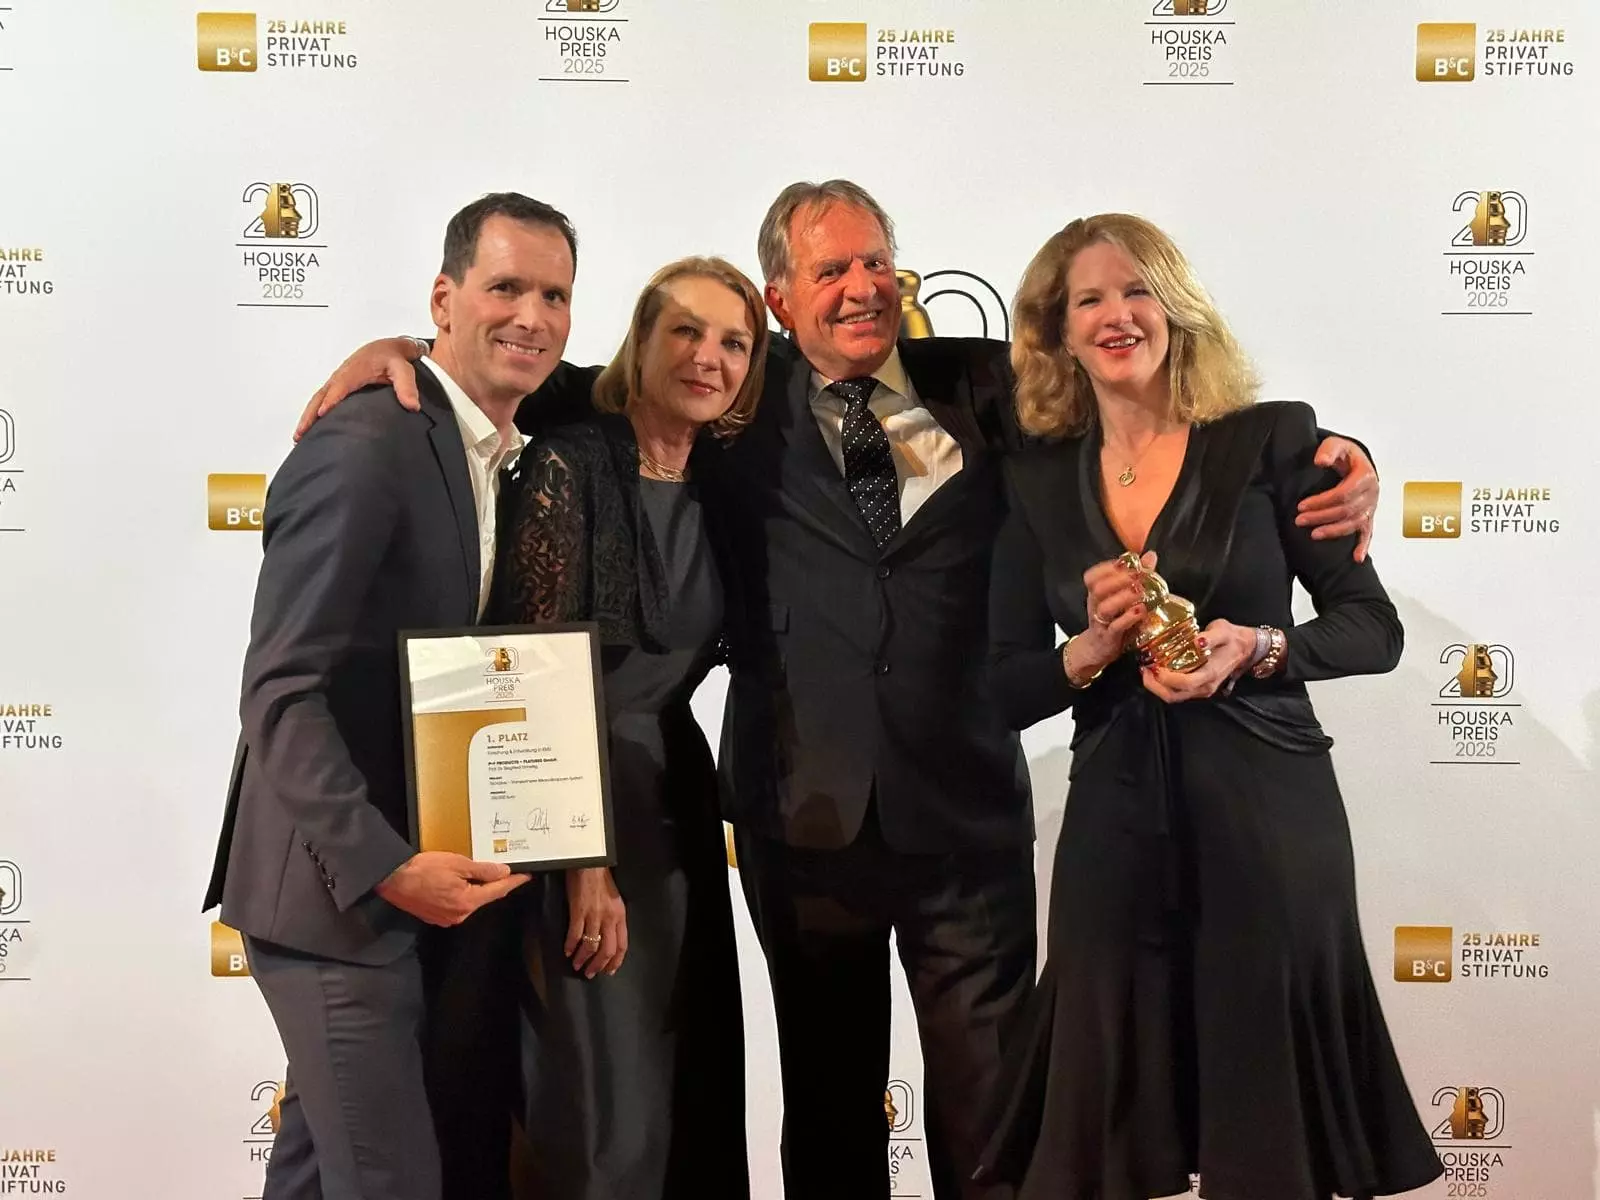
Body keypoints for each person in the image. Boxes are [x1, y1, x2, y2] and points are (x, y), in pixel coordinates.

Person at [298, 180, 1383, 1200]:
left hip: (965, 819)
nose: (859, 289)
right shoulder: (729, 388)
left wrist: (1338, 453)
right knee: (825, 1118)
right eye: (827, 273)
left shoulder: (990, 385)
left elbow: (1151, 398)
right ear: (780, 297)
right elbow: (566, 375)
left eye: (876, 263)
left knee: (997, 1117)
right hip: (801, 822)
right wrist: (405, 349)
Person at [974, 213, 1443, 1199]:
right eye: (1086, 299)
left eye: (1135, 290)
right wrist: (1094, 648)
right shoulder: (1036, 481)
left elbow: (1371, 628)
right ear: (1056, 332)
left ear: (1175, 309)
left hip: (1266, 808)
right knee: (1106, 1120)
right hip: (1114, 812)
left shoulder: (1272, 441)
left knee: (1265, 1119)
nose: (1114, 314)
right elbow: (1005, 685)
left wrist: (1257, 648)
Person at [202, 191, 577, 1198]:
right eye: (505, 288)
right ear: (444, 300)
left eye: (554, 295)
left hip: (384, 895)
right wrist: (388, 867)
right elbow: (280, 689)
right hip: (336, 899)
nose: (532, 317)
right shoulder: (370, 443)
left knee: (322, 1176)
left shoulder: (479, 446)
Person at [487, 256, 767, 1198]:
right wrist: (582, 865)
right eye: (685, 331)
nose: (707, 357)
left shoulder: (721, 482)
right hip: (574, 807)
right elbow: (531, 678)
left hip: (675, 809)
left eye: (733, 342)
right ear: (641, 340)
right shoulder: (570, 461)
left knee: (681, 1080)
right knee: (599, 1103)